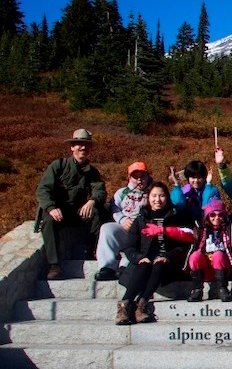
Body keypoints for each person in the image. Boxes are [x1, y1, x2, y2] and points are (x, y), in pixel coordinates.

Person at [35, 128, 108, 280]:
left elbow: (100, 190)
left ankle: (92, 249)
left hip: (77, 213)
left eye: (86, 145)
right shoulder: (58, 166)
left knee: (101, 211)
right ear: (72, 147)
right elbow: (43, 190)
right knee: (48, 222)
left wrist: (92, 201)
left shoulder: (92, 171)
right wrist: (51, 207)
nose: (83, 148)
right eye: (79, 144)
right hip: (58, 211)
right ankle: (54, 264)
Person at [118, 182, 193, 325]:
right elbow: (129, 247)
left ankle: (142, 305)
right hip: (144, 261)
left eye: (161, 195)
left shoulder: (174, 217)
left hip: (167, 263)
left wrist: (168, 256)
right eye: (154, 196)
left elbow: (183, 246)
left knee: (158, 265)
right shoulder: (141, 219)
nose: (157, 199)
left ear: (167, 198)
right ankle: (125, 306)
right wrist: (139, 257)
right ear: (148, 197)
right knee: (144, 265)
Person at [94, 162, 152, 281]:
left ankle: (125, 267)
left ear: (148, 176)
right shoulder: (122, 192)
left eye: (143, 176)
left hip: (144, 230)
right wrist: (123, 220)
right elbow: (115, 208)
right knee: (107, 228)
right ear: (129, 178)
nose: (139, 180)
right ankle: (107, 267)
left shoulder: (152, 192)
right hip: (125, 226)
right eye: (136, 177)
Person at [170, 160, 220, 224]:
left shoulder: (211, 190)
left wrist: (208, 184)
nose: (196, 181)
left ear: (205, 177)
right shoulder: (184, 190)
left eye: (199, 177)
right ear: (188, 178)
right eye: (193, 177)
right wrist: (176, 184)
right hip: (187, 223)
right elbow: (178, 205)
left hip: (206, 223)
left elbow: (206, 207)